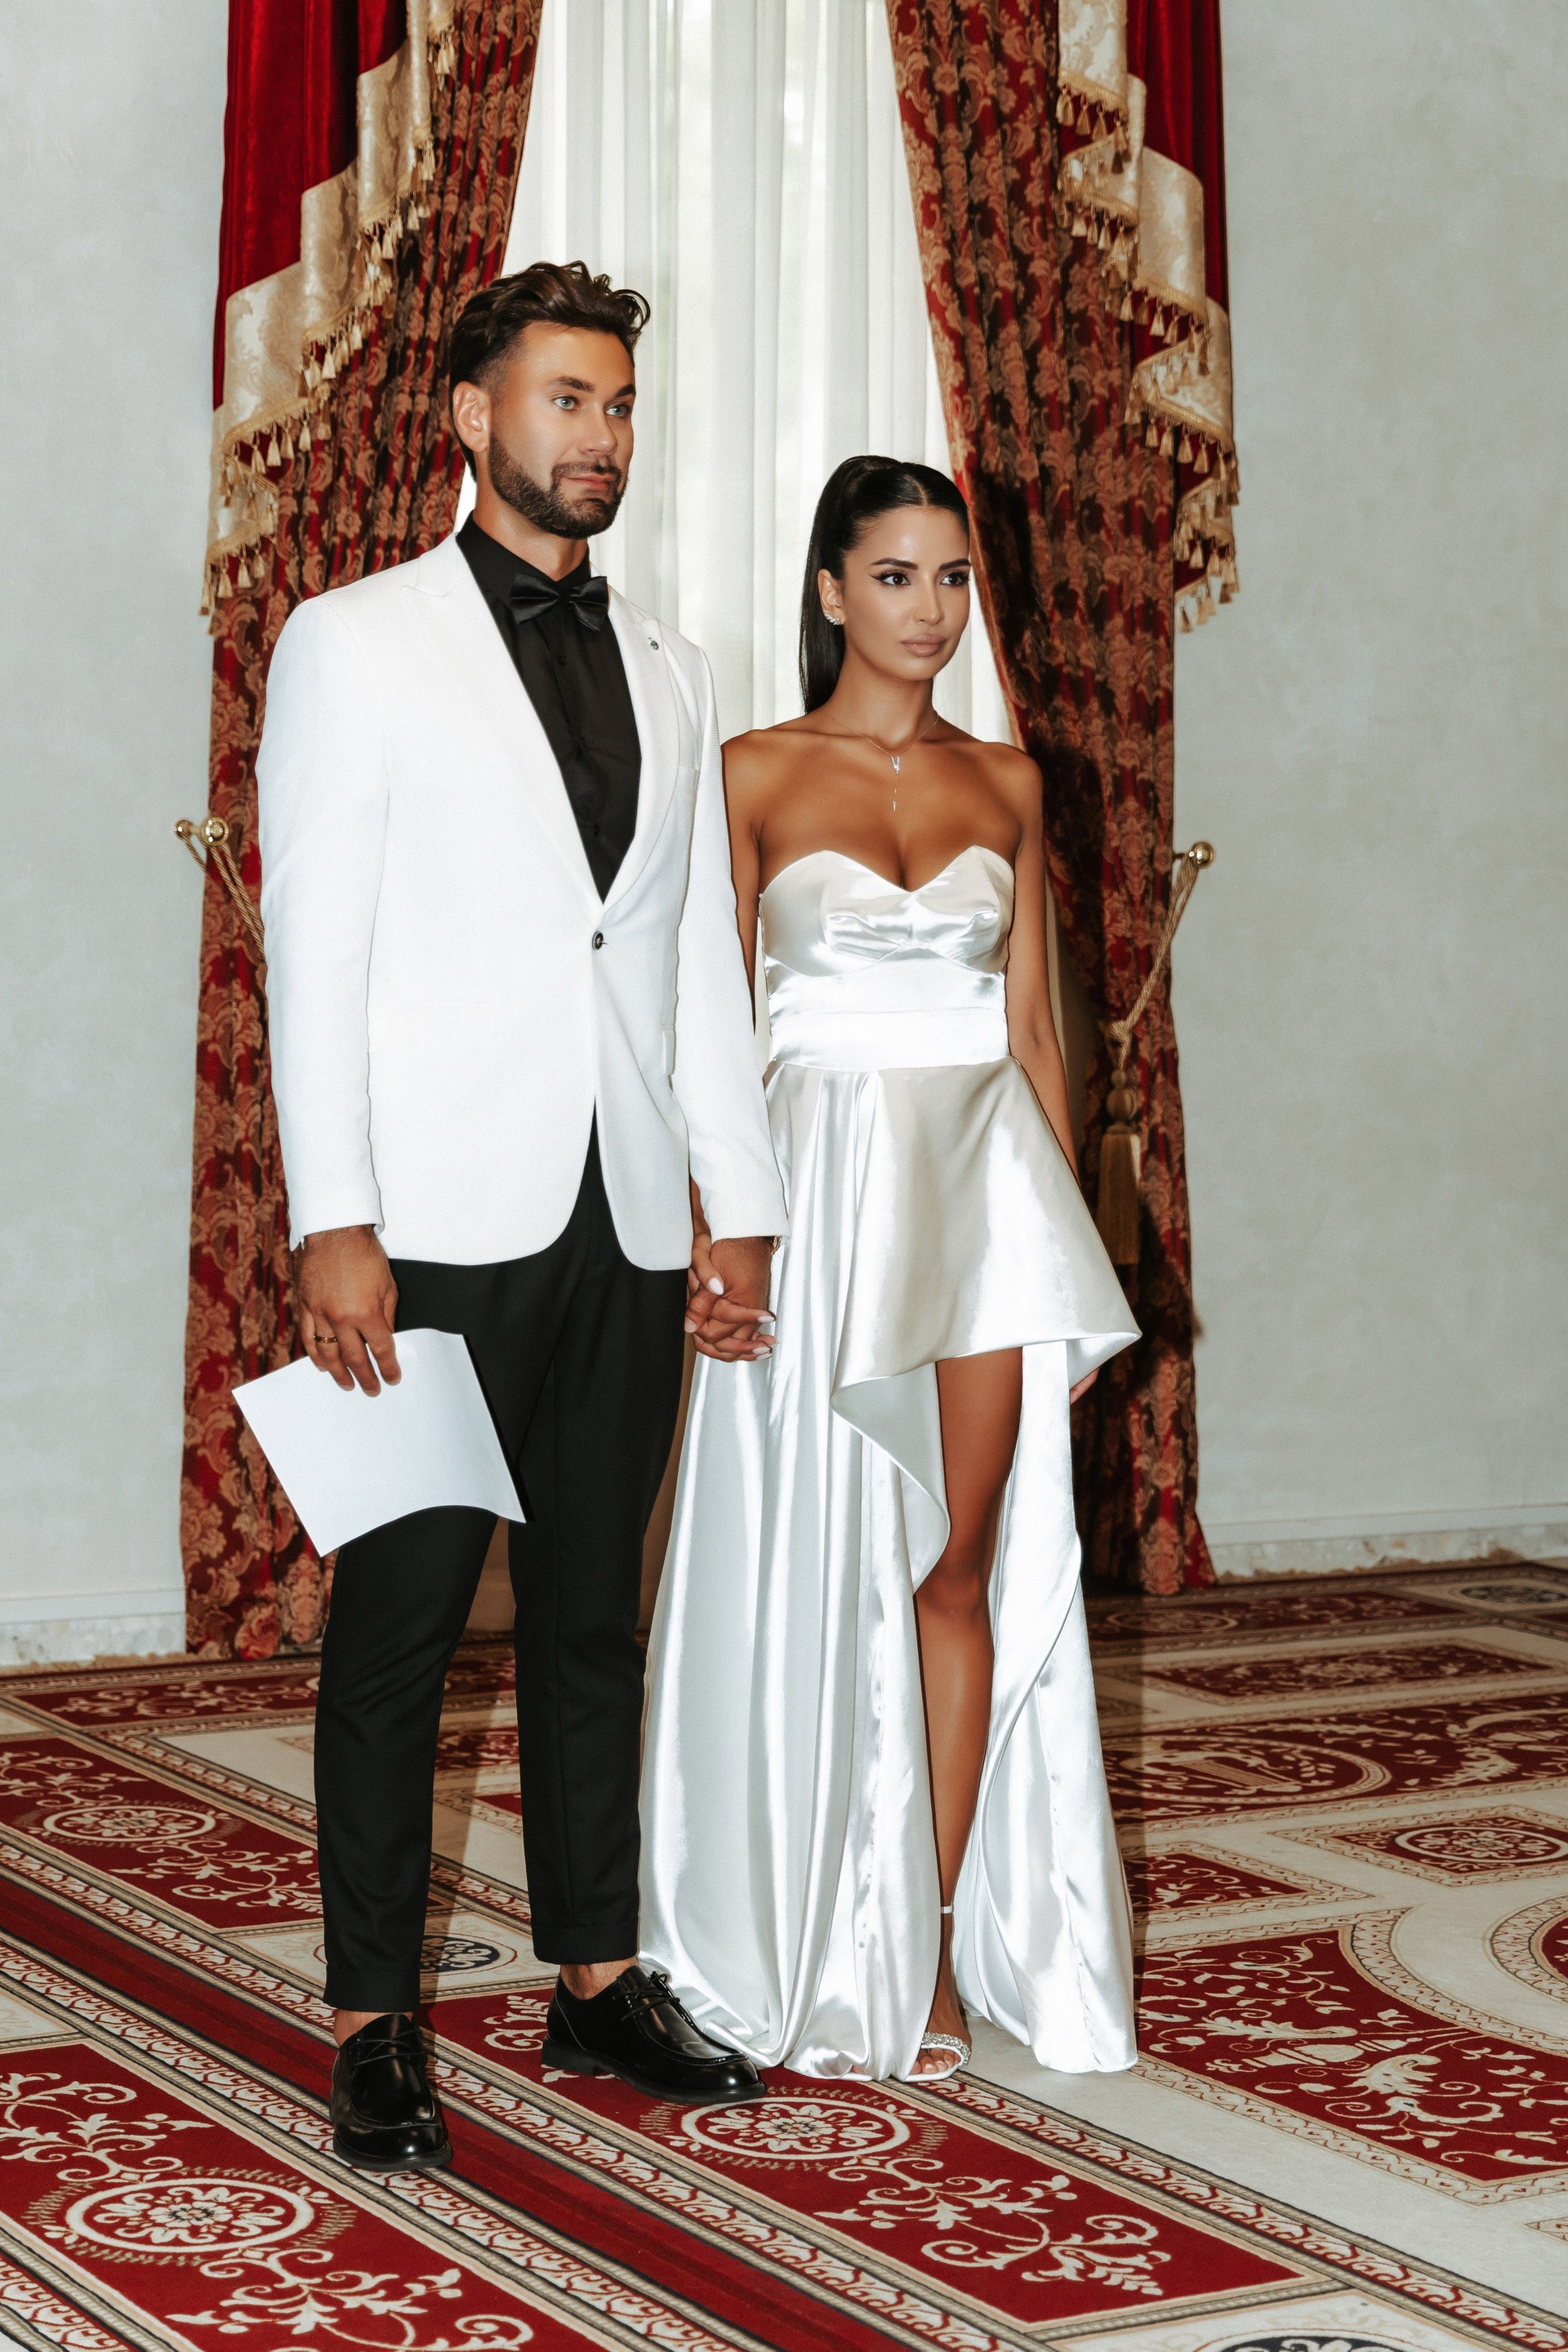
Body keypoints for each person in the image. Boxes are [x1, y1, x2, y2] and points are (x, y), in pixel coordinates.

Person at [257, 261, 787, 2170]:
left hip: (623, 1214)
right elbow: (315, 952)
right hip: (429, 1218)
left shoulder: (675, 667)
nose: (601, 435)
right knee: (400, 1622)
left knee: (589, 1619)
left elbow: (690, 963)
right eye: (568, 398)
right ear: (474, 417)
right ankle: (372, 2019)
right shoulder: (353, 643)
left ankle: (595, 1975)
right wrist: (336, 1218)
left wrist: (740, 1203)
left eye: (620, 404)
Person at [644, 456, 1141, 2082]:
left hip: (987, 1203)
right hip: (814, 1196)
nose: (930, 611)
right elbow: (702, 1033)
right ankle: (781, 1910)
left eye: (952, 579)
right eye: (896, 576)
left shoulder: (1009, 782)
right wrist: (715, 1226)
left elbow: (1034, 1037)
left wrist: (1072, 1267)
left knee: (956, 1567)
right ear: (830, 589)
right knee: (804, 1560)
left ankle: (922, 1939)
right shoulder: (751, 772)